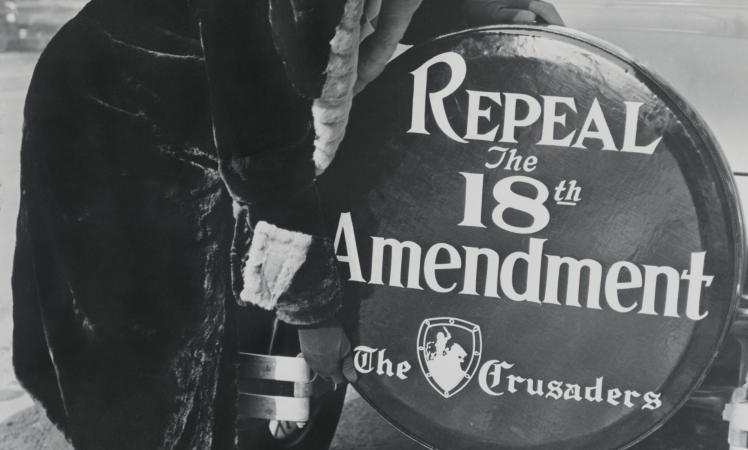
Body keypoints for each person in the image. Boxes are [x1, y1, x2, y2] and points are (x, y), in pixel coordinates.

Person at [11, 0, 563, 448]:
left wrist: (487, 14)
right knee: (159, 351)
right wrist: (314, 314)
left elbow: (377, 10)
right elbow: (265, 162)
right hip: (115, 122)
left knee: (244, 302)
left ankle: (251, 424)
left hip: (208, 108)